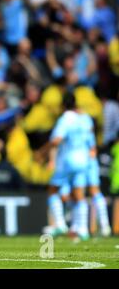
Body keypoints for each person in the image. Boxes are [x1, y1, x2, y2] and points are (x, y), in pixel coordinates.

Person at [46, 92, 91, 240]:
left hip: (68, 159)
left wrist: (43, 152)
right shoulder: (82, 120)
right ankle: (83, 229)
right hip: (83, 159)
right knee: (79, 195)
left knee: (53, 190)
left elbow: (56, 140)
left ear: (63, 105)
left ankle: (60, 223)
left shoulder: (65, 119)